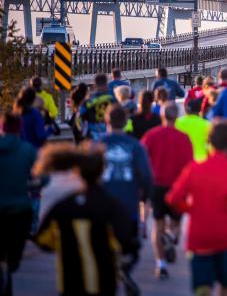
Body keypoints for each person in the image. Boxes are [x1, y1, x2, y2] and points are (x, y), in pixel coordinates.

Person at [166, 120, 227, 296]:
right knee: (226, 284)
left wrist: (190, 208)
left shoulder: (194, 169)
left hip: (199, 235)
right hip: (226, 235)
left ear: (209, 141)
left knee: (202, 286)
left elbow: (173, 198)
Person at [35, 143, 136, 296]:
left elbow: (43, 240)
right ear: (102, 171)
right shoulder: (110, 205)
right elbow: (126, 239)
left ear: (77, 171)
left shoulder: (63, 206)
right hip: (104, 282)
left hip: (69, 282)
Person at [100, 104, 153, 291]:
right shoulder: (136, 147)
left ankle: (108, 274)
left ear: (106, 121)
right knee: (132, 247)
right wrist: (144, 198)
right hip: (127, 207)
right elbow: (146, 176)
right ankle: (124, 268)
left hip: (101, 207)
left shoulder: (96, 145)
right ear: (125, 122)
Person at [141, 103, 194, 279]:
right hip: (177, 186)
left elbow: (143, 160)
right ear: (176, 117)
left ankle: (160, 264)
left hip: (157, 185)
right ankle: (171, 238)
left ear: (162, 116)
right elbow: (189, 164)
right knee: (177, 222)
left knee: (157, 223)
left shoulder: (151, 136)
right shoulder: (184, 138)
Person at [0, 112, 37, 296]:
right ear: (19, 129)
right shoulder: (27, 150)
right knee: (15, 252)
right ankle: (10, 267)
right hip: (20, 209)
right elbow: (42, 177)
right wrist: (32, 184)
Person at [79, 73, 116, 141]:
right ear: (106, 84)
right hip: (109, 133)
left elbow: (80, 116)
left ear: (95, 84)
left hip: (92, 134)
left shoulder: (89, 100)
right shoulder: (112, 99)